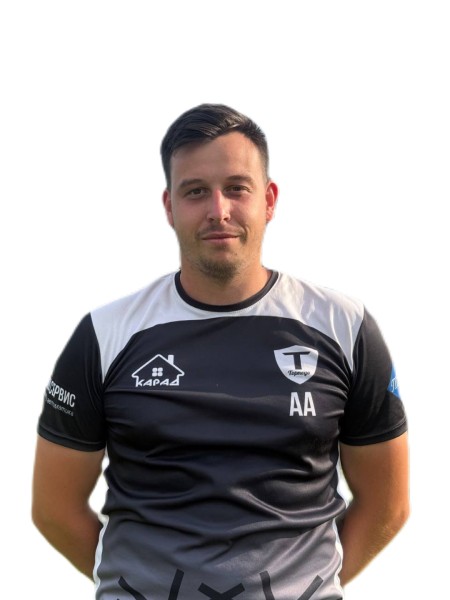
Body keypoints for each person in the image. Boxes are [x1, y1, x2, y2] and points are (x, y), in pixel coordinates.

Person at [32, 103, 409, 600]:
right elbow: (54, 508)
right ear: (169, 207)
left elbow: (388, 504)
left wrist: (309, 588)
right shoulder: (106, 334)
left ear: (268, 200)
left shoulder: (343, 326)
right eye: (195, 192)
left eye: (236, 188)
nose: (218, 211)